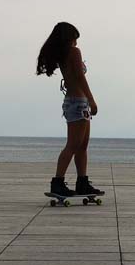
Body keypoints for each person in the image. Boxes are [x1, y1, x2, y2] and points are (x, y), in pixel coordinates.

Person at [36, 22, 103, 197]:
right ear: (68, 37)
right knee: (73, 145)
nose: (76, 42)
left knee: (82, 145)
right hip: (78, 102)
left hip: (76, 102)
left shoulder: (63, 54)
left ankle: (82, 182)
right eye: (74, 38)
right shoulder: (74, 52)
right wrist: (91, 99)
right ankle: (58, 182)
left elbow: (72, 77)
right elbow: (80, 77)